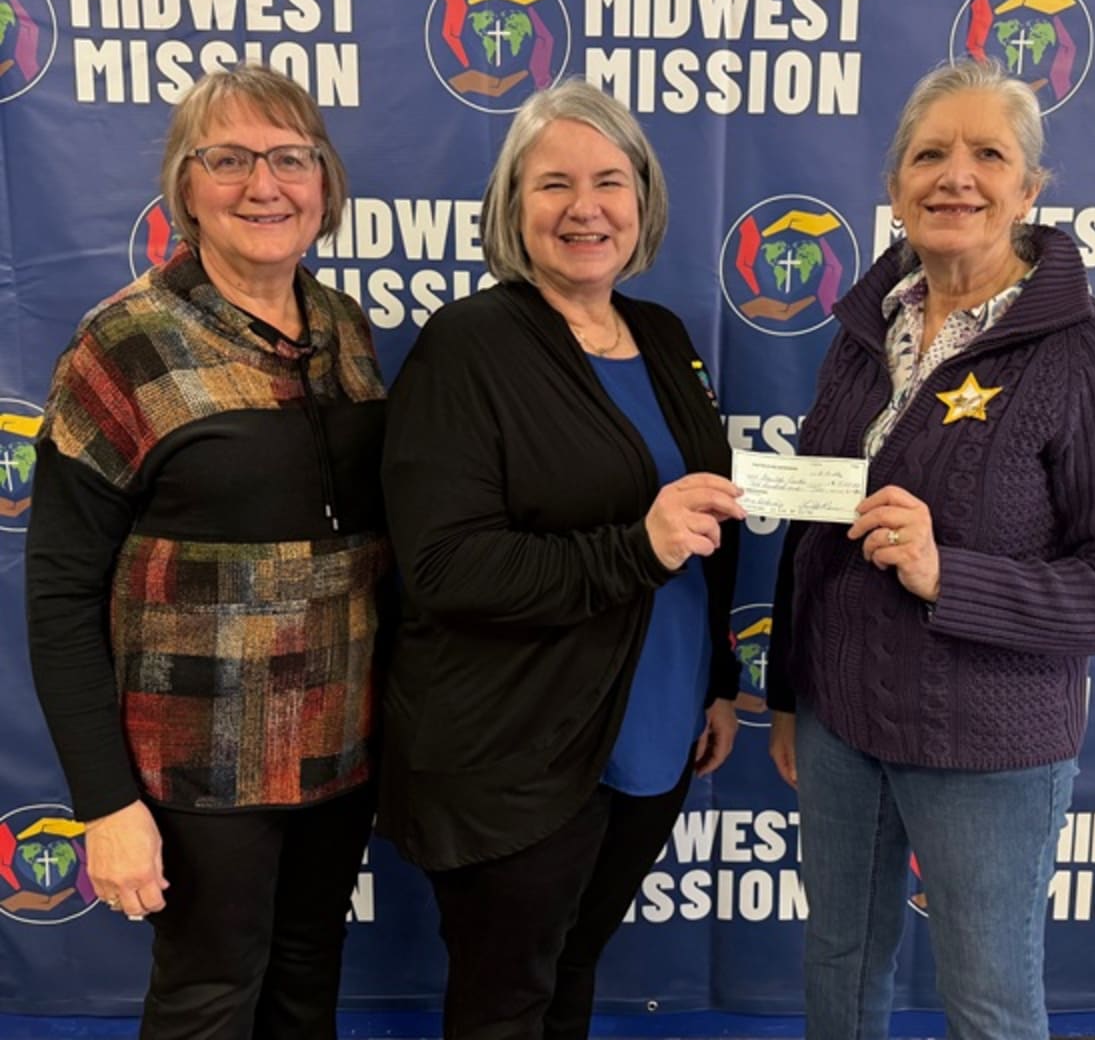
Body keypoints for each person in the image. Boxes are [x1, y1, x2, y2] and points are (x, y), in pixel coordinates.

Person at [766, 59, 1095, 1040]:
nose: (957, 175)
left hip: (990, 743)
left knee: (989, 999)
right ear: (895, 185)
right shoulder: (867, 328)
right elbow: (816, 535)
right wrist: (788, 693)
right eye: (930, 154)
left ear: (1029, 188)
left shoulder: (1089, 346)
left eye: (988, 153)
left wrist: (952, 572)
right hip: (839, 722)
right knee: (836, 963)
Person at [25, 64, 391, 1039]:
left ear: (326, 182)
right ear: (185, 187)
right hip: (197, 765)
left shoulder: (346, 332)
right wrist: (105, 801)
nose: (261, 184)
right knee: (207, 997)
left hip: (340, 750)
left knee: (307, 985)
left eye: (288, 158)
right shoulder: (125, 344)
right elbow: (60, 593)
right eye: (226, 159)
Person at [379, 78, 744, 1040]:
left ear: (643, 200)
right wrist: (636, 547)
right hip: (519, 743)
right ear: (512, 208)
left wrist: (716, 679)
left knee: (574, 968)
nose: (586, 208)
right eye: (553, 185)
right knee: (508, 1000)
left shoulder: (661, 336)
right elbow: (447, 570)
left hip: (658, 722)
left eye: (610, 181)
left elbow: (704, 526)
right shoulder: (468, 346)